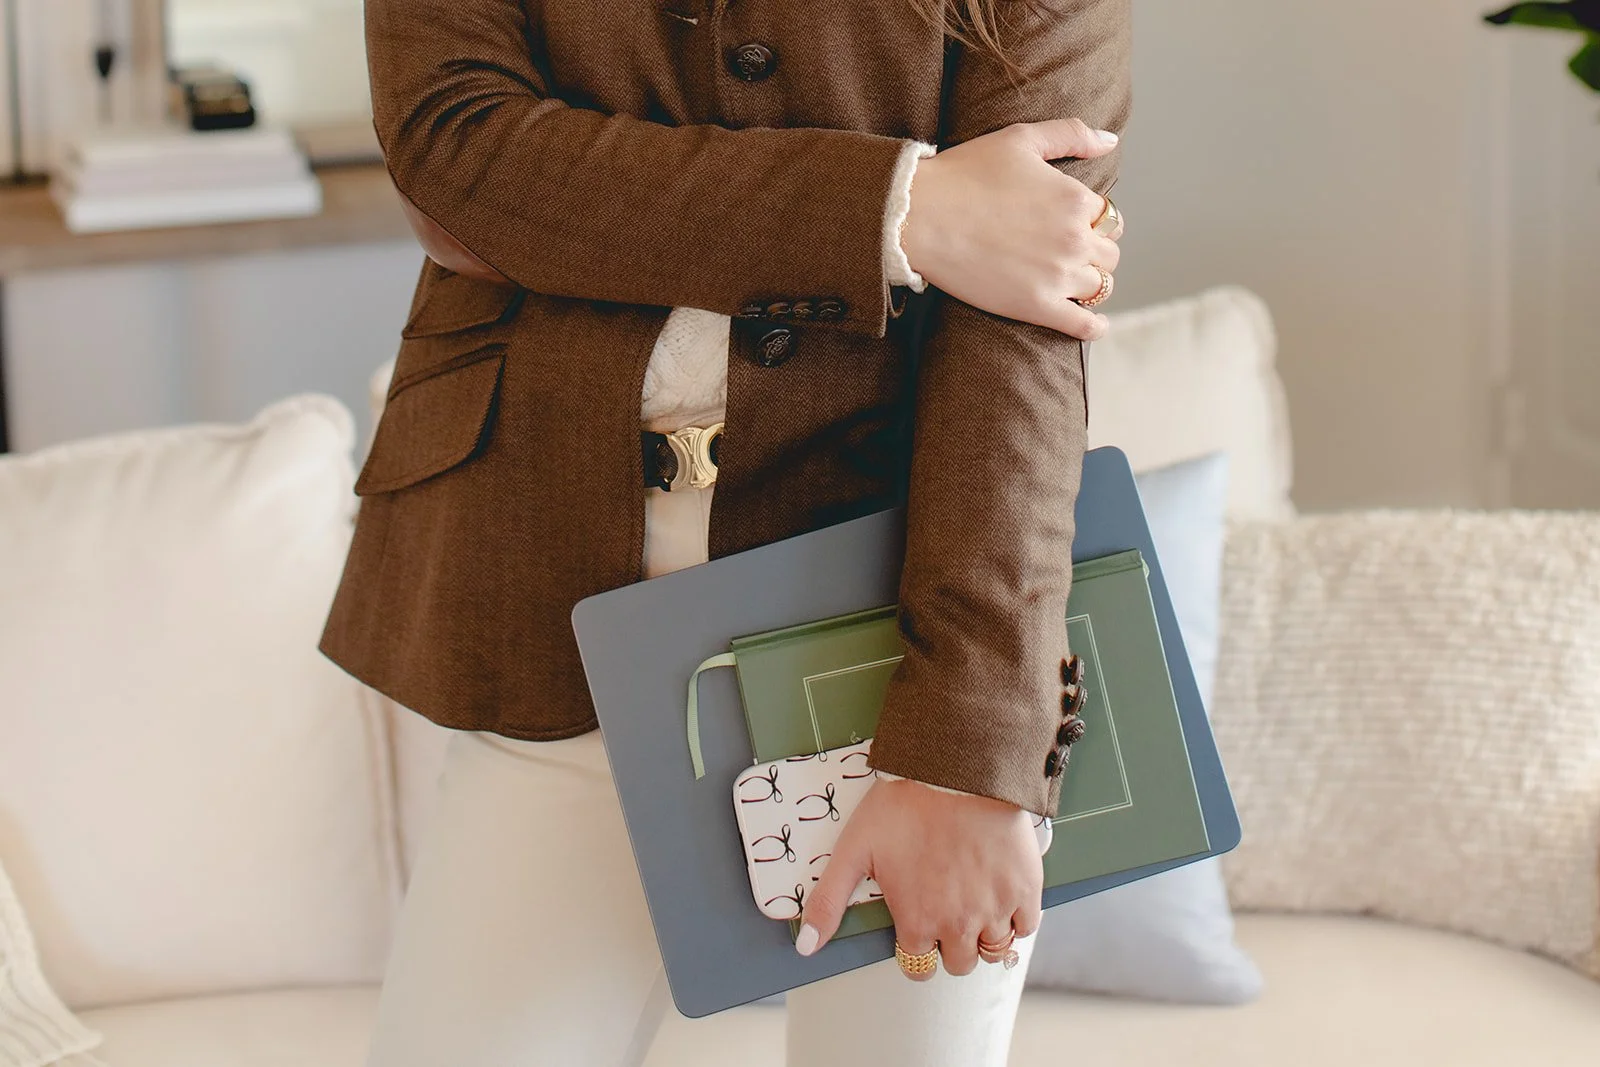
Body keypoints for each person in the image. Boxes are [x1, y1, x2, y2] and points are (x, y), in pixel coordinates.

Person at [318, 2, 1130, 1064]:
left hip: (900, 657)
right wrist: (901, 209)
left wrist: (963, 757)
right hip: (558, 618)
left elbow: (1023, 318)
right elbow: (459, 146)